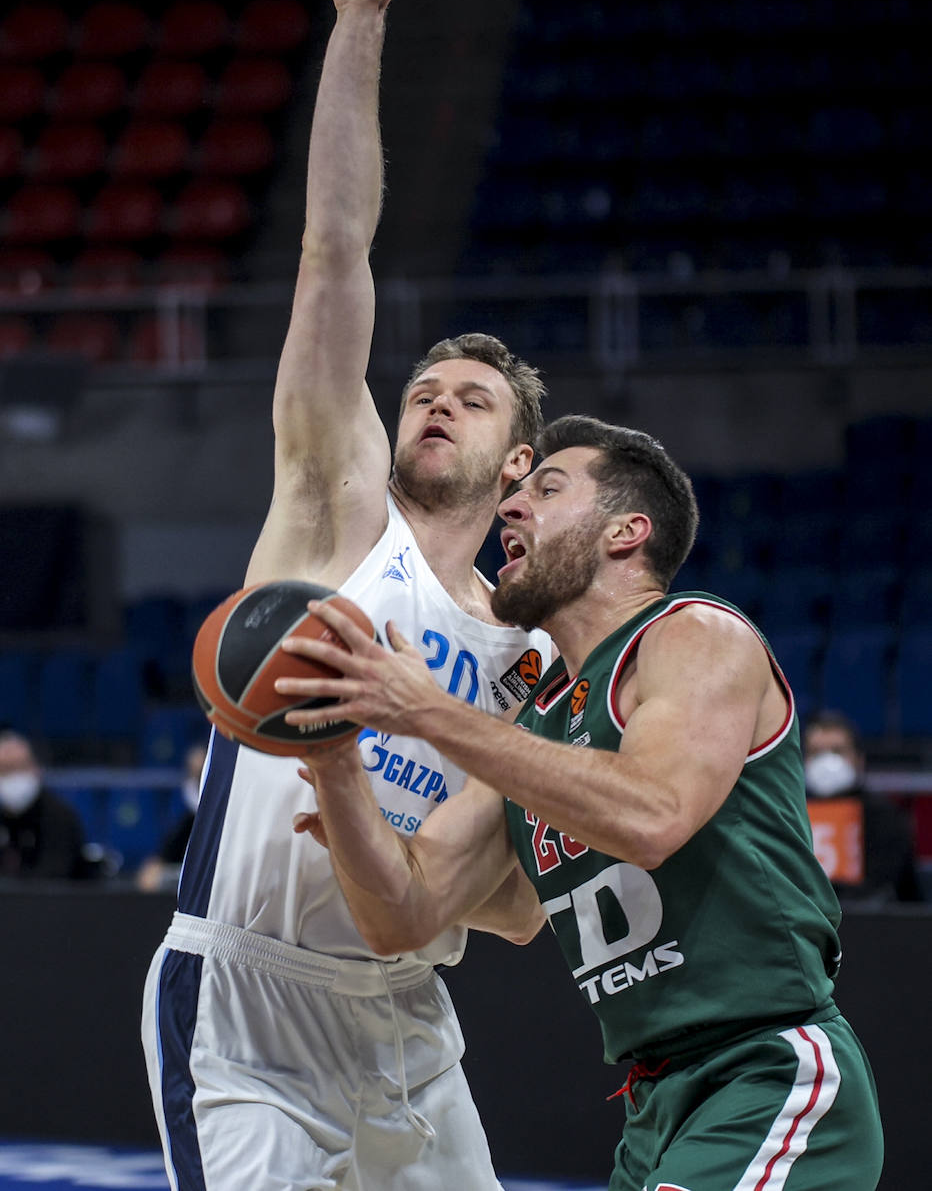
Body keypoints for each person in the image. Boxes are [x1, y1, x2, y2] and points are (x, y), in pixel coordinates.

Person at [141, 0, 553, 1191]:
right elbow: (334, 247)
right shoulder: (337, 510)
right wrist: (360, 25)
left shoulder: (531, 658)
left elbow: (517, 908)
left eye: (471, 397)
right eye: (424, 385)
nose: (435, 398)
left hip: (407, 1020)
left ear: (520, 467)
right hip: (248, 1002)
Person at [280, 415, 885, 1191]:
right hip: (652, 1103)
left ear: (626, 532)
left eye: (548, 488)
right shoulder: (530, 723)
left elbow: (652, 815)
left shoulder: (693, 636)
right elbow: (406, 912)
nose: (511, 507)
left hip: (765, 1070)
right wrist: (336, 765)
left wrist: (427, 710)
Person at [804, 708, 922, 904]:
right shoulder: (790, 813)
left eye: (837, 751)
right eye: (816, 752)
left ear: (859, 759)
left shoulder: (887, 817)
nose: (826, 761)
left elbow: (885, 888)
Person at [0, 728, 87, 880]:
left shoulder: (60, 817)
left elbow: (57, 875)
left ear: (36, 769)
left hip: (55, 902)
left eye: (20, 767)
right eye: (6, 770)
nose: (13, 777)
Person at [136, 743, 207, 893]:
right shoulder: (182, 812)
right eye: (196, 772)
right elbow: (152, 871)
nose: (199, 774)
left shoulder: (223, 814)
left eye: (203, 771)